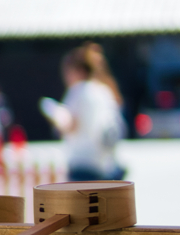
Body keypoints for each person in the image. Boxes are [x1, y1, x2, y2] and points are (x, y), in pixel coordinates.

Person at [39, 42, 126, 181]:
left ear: (77, 70)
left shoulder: (78, 90)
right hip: (103, 167)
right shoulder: (105, 91)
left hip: (80, 164)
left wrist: (54, 112)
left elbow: (69, 124)